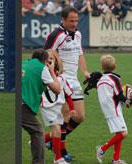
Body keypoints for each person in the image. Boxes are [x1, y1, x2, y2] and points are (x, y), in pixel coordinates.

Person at [43, 6, 88, 161]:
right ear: (63, 19)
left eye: (76, 20)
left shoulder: (78, 34)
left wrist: (85, 72)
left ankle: (47, 140)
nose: (74, 24)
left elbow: (80, 54)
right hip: (61, 80)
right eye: (71, 21)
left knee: (80, 116)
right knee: (65, 117)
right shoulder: (55, 35)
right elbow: (46, 56)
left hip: (74, 81)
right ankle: (61, 152)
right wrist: (52, 78)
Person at [21, 49, 62, 164]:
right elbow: (57, 89)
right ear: (45, 61)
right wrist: (52, 71)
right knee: (38, 131)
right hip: (24, 104)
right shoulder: (42, 68)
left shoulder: (22, 63)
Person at [94, 55, 132, 164]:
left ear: (102, 67)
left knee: (118, 133)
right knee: (124, 133)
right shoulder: (114, 79)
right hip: (114, 110)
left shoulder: (101, 79)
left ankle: (116, 159)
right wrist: (130, 101)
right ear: (115, 66)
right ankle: (102, 149)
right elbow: (119, 94)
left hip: (107, 109)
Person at [40, 50, 73, 164]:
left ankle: (37, 141)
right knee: (57, 130)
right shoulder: (42, 74)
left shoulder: (61, 77)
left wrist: (72, 108)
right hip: (47, 106)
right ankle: (58, 159)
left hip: (57, 108)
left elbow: (67, 93)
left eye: (52, 59)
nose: (49, 61)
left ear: (56, 61)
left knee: (56, 132)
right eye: (47, 59)